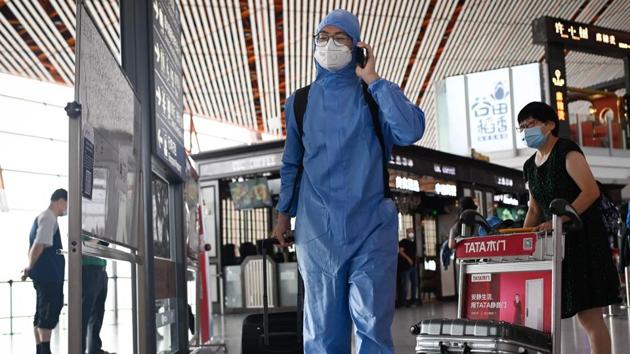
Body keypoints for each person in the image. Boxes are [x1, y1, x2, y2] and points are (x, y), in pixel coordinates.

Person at [272, 9, 425, 353]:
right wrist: (284, 213)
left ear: (357, 46)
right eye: (322, 38)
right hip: (317, 230)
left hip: (371, 227)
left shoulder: (374, 96)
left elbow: (410, 129)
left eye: (340, 38)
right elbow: (292, 161)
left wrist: (375, 80)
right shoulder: (300, 102)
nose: (329, 45)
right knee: (323, 330)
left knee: (372, 323)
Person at [519, 101, 620, 354]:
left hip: (582, 240)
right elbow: (533, 208)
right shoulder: (530, 166)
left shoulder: (567, 151)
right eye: (521, 128)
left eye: (530, 124)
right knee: (550, 316)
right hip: (555, 247)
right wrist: (522, 239)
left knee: (588, 317)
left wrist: (559, 221)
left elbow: (590, 192)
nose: (525, 131)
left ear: (550, 124)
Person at [21, 189, 67, 354]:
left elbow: (35, 245)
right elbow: (39, 245)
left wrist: (30, 267)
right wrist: (29, 266)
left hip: (47, 275)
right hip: (49, 276)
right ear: (60, 201)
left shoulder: (44, 217)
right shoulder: (48, 217)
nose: (66, 209)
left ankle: (41, 350)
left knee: (42, 311)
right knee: (48, 311)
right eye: (67, 205)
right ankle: (45, 350)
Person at [81, 235, 112, 354]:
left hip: (101, 270)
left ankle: (94, 349)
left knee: (97, 314)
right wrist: (99, 237)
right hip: (88, 270)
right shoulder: (79, 225)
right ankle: (79, 349)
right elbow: (83, 249)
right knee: (84, 314)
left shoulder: (95, 228)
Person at [397, 228, 418, 307]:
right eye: (410, 232)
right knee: (404, 285)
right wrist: (408, 259)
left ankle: (413, 301)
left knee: (414, 284)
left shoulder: (413, 243)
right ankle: (403, 302)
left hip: (413, 266)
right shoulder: (403, 242)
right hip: (405, 267)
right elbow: (400, 251)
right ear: (407, 233)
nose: (411, 233)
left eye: (412, 232)